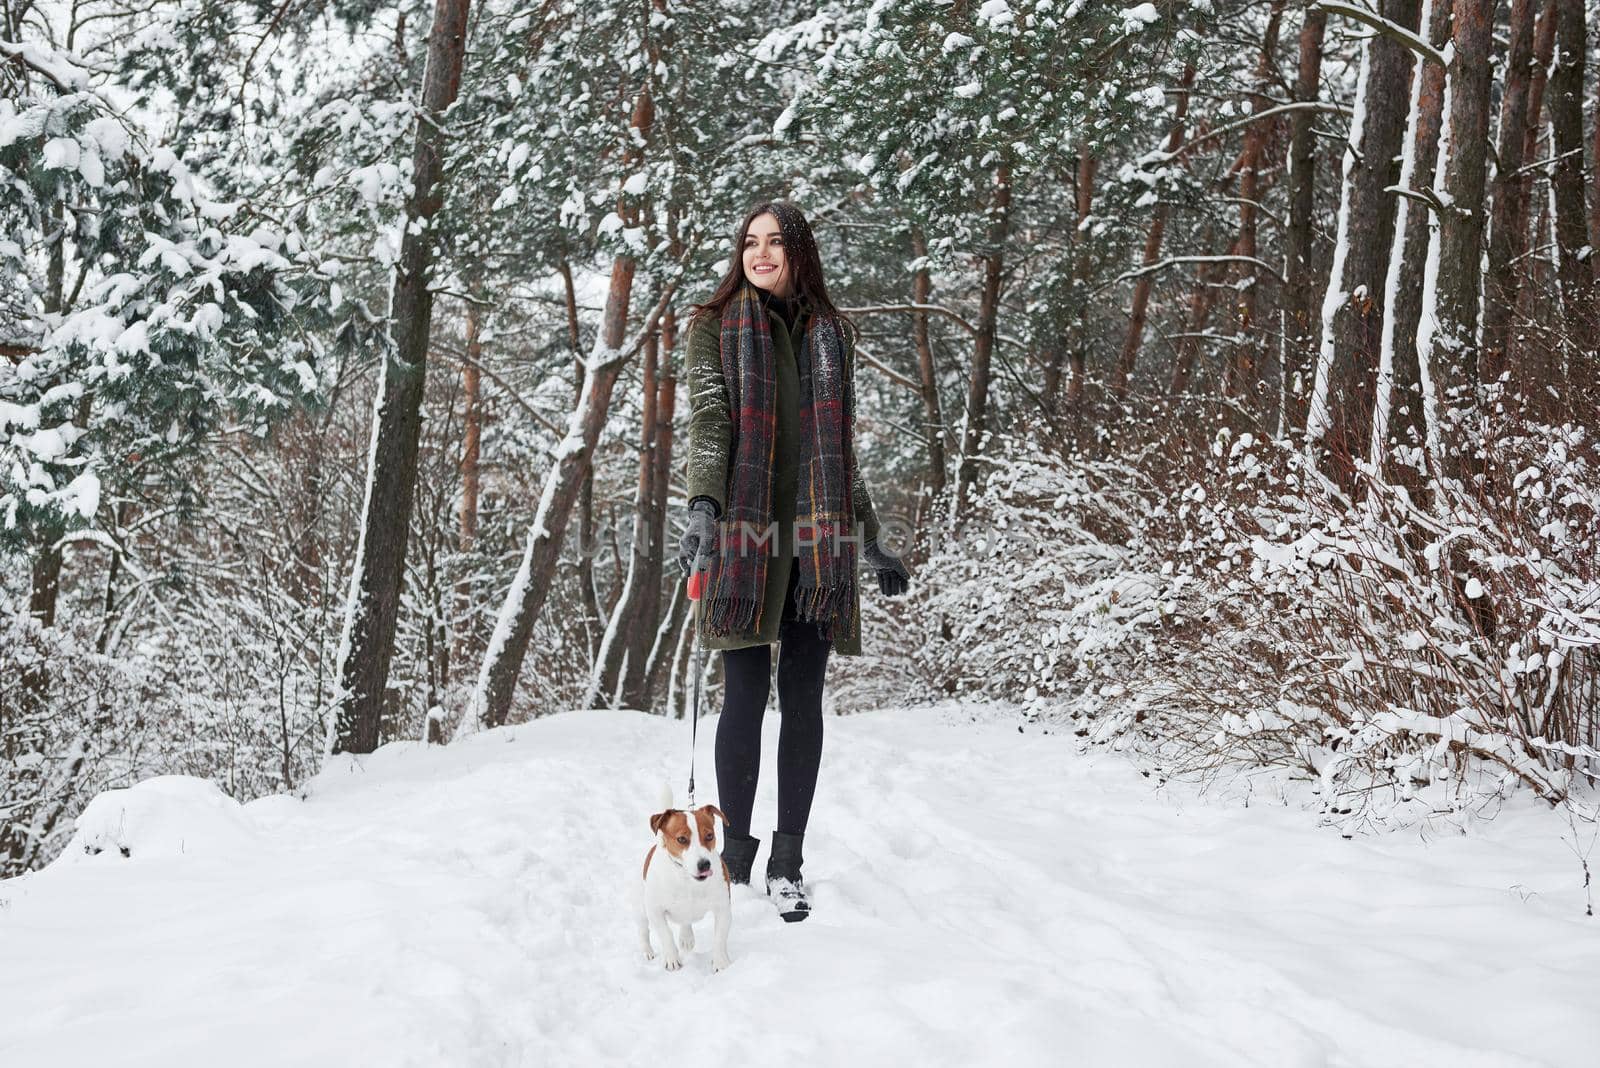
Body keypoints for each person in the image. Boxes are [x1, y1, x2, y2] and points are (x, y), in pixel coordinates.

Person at [675, 201, 912, 922]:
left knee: (802, 698)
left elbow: (840, 456)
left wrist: (870, 541)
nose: (761, 252)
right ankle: (734, 857)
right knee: (744, 693)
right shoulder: (713, 327)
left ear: (800, 252)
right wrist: (704, 508)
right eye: (751, 241)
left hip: (819, 539)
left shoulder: (831, 335)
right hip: (744, 536)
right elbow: (711, 425)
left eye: (775, 241)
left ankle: (788, 862)